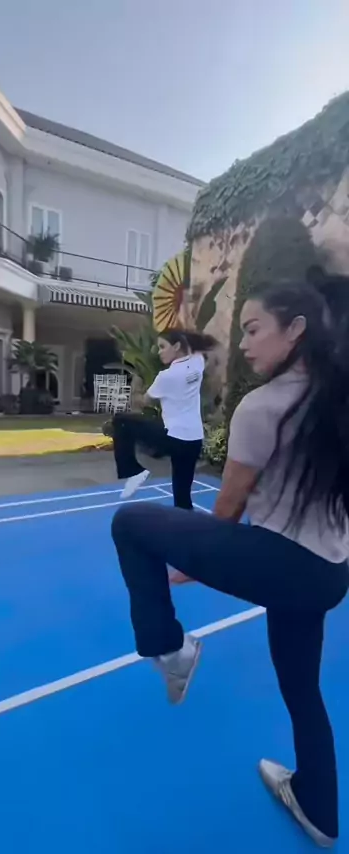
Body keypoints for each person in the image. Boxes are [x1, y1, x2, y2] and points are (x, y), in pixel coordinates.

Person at [111, 279, 349, 847]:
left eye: (253, 329)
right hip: (330, 573)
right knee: (302, 689)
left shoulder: (262, 406)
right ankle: (319, 810)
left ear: (296, 330)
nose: (242, 344)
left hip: (287, 563)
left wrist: (196, 557)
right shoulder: (335, 401)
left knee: (130, 523)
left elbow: (229, 506)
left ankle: (171, 649)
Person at [112, 330, 216, 508]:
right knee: (182, 497)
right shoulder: (197, 363)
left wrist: (135, 387)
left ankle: (133, 471)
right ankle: (185, 521)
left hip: (173, 438)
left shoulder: (166, 377)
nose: (159, 352)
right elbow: (198, 347)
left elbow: (143, 402)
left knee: (121, 421)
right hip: (194, 441)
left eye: (162, 347)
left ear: (176, 346)